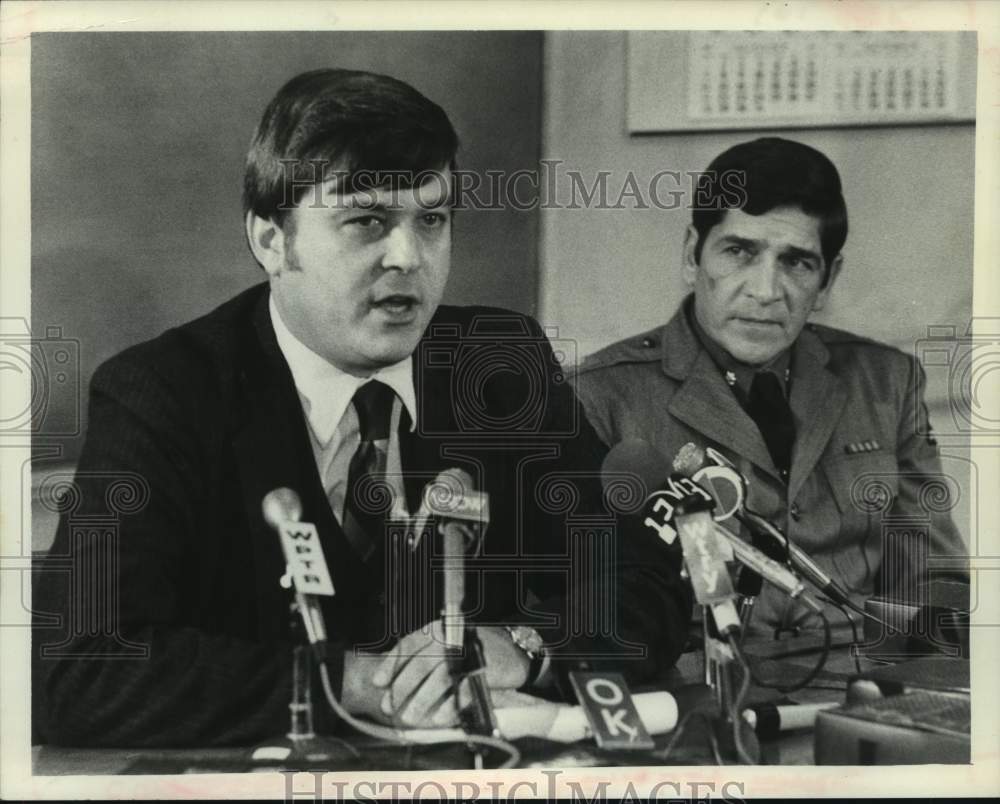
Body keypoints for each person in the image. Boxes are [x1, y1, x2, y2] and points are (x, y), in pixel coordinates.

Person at [35, 69, 690, 747]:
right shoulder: (163, 393)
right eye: (365, 221)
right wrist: (352, 681)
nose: (407, 258)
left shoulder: (499, 365)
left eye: (431, 220)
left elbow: (645, 582)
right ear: (270, 239)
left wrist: (528, 647)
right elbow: (79, 668)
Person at [573, 137, 968, 633]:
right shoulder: (598, 397)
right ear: (693, 257)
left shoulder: (886, 384)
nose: (765, 291)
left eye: (797, 262)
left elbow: (937, 582)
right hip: (700, 689)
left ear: (827, 281)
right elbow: (588, 604)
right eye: (739, 251)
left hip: (859, 684)